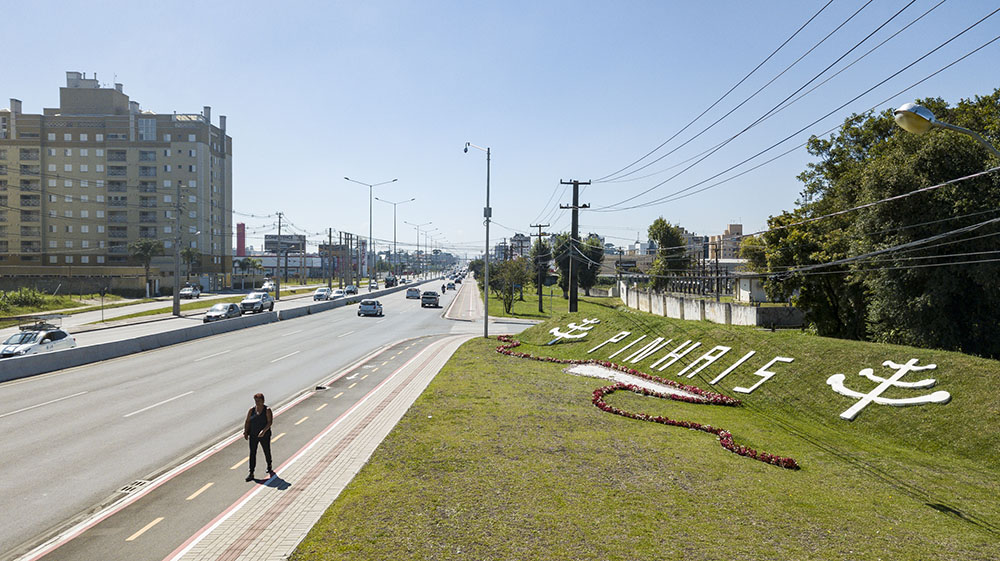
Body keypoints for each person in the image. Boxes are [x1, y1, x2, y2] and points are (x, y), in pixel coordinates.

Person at [243, 392, 274, 481]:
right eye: (256, 401)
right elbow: (247, 421)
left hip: (264, 435)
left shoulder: (267, 410)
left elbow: (270, 422)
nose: (257, 403)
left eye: (259, 401)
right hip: (253, 435)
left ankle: (269, 464)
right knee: (252, 453)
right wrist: (245, 431)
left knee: (266, 450)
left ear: (263, 401)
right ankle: (251, 472)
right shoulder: (251, 410)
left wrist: (263, 431)